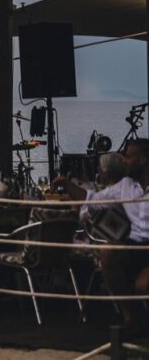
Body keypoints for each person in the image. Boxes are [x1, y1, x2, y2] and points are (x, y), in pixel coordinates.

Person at [54, 139, 149, 329]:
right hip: (134, 245)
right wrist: (66, 183)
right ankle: (129, 317)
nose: (123, 161)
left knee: (142, 287)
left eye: (128, 157)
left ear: (142, 160)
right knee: (107, 252)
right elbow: (93, 200)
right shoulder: (125, 186)